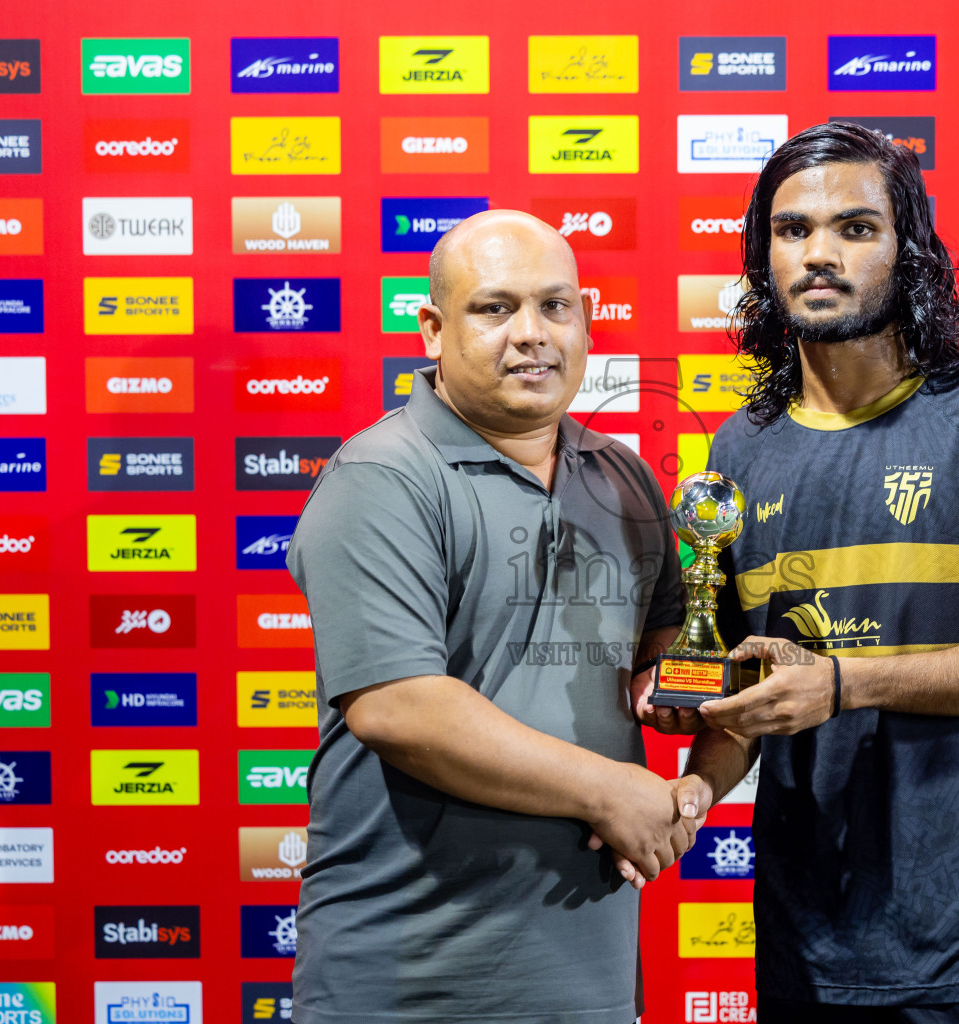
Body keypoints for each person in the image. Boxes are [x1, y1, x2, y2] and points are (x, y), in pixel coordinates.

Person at [680, 122, 959, 1024]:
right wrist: (687, 788)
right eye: (791, 230)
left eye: (855, 228)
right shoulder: (737, 450)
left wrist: (843, 683)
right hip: (803, 952)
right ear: (762, 258)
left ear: (908, 251)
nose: (818, 254)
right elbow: (741, 693)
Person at [287, 209, 708, 1024]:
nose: (531, 334)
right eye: (495, 308)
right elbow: (398, 707)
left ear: (586, 319)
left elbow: (660, 648)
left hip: (586, 975)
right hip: (412, 979)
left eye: (555, 306)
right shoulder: (382, 477)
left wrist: (693, 693)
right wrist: (610, 790)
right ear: (433, 329)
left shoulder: (622, 475)